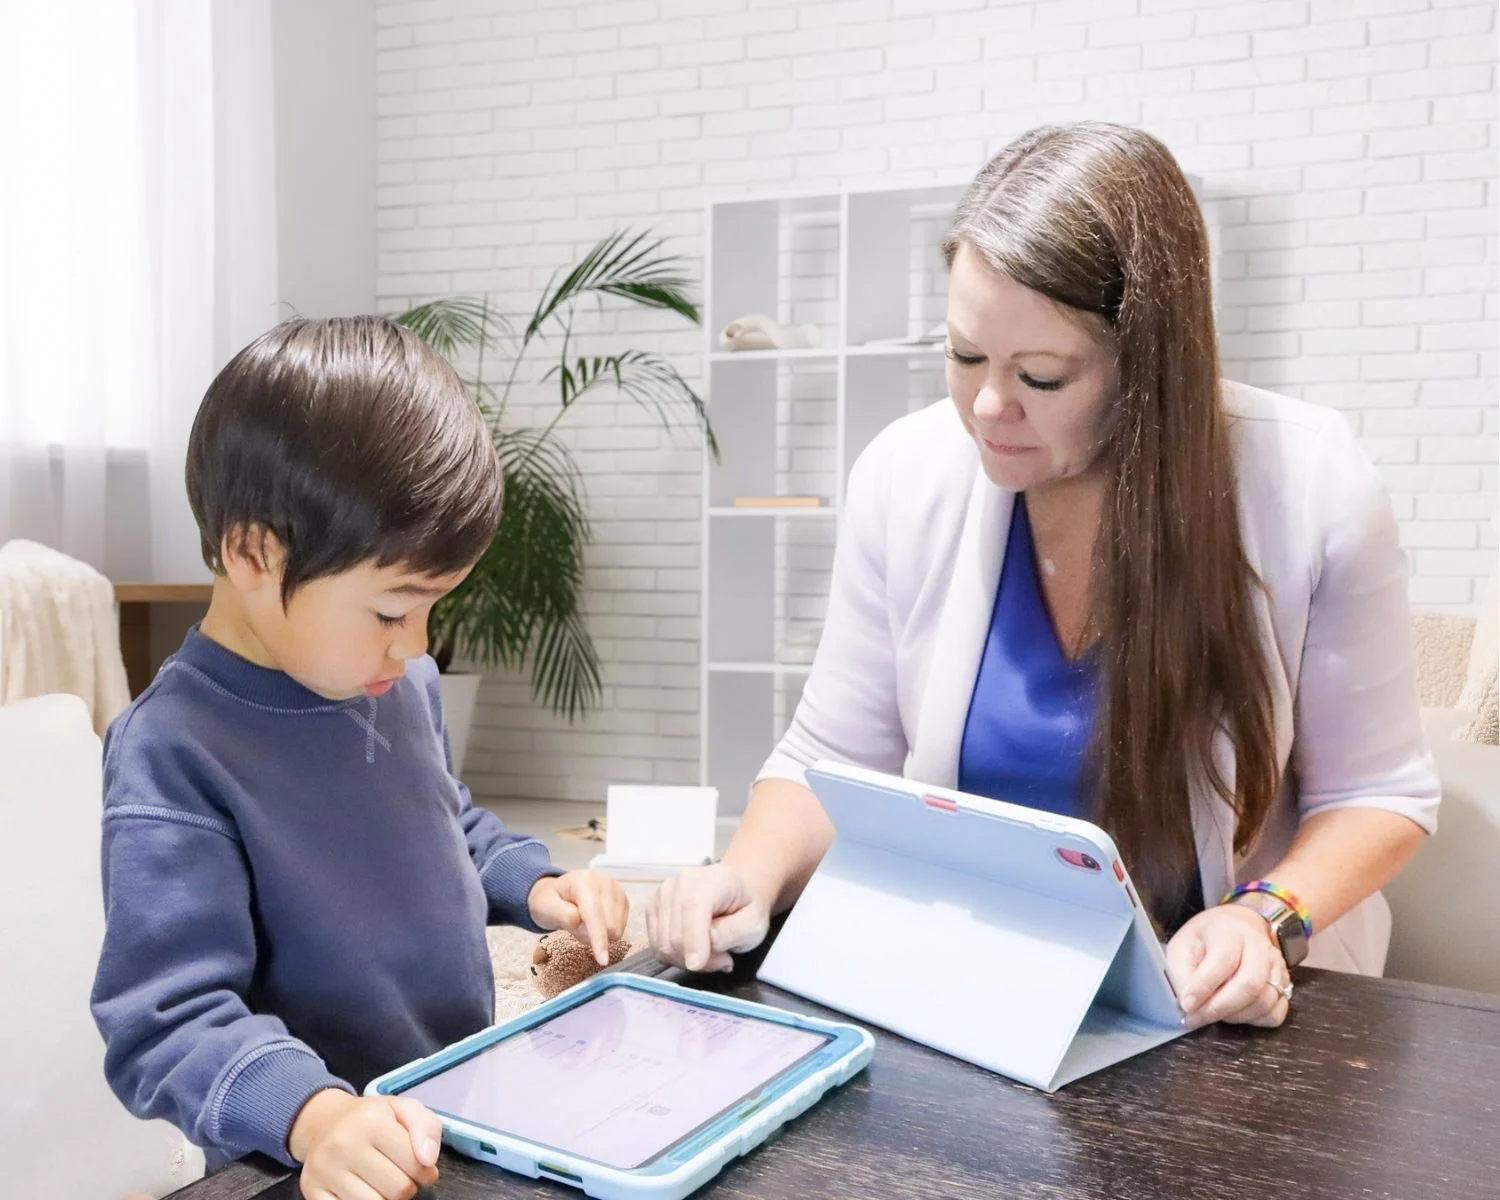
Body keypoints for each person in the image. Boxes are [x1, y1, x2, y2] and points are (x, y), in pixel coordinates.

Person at [648, 122, 1439, 1032]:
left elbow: (1378, 796)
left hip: (1222, 1014)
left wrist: (1264, 918)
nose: (989, 407)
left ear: (1149, 367)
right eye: (964, 356)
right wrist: (743, 874)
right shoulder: (905, 474)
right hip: (987, 981)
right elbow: (829, 757)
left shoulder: (1309, 482)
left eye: (1043, 376)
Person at [92, 317, 629, 1200]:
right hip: (327, 1163)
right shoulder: (173, 751)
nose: (416, 645)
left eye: (430, 609)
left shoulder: (398, 683)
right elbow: (166, 1020)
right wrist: (317, 1117)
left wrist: (539, 887)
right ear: (252, 552)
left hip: (460, 1106)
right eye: (390, 612)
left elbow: (445, 820)